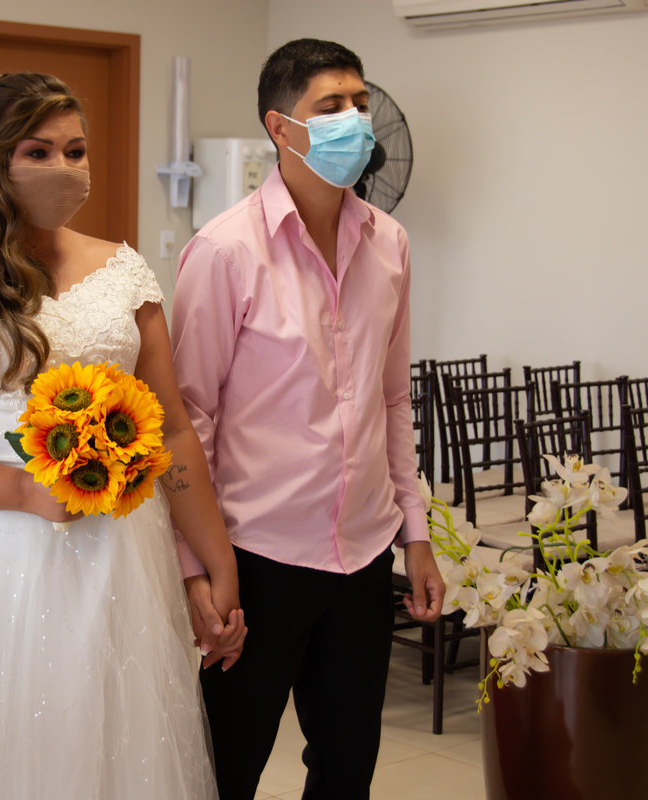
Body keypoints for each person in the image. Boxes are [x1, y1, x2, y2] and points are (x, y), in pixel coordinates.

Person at [0, 72, 244, 799]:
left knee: (109, 742)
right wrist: (21, 490)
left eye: (75, 151)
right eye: (37, 152)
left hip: (119, 556)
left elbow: (172, 430)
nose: (64, 168)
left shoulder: (123, 271)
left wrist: (215, 560)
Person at [170, 39, 446, 800]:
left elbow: (393, 399)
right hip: (257, 556)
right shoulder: (224, 251)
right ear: (280, 127)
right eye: (331, 106)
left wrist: (416, 535)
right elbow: (187, 421)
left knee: (346, 770)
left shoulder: (389, 243)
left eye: (360, 103)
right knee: (226, 769)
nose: (355, 119)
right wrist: (195, 568)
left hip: (363, 552)